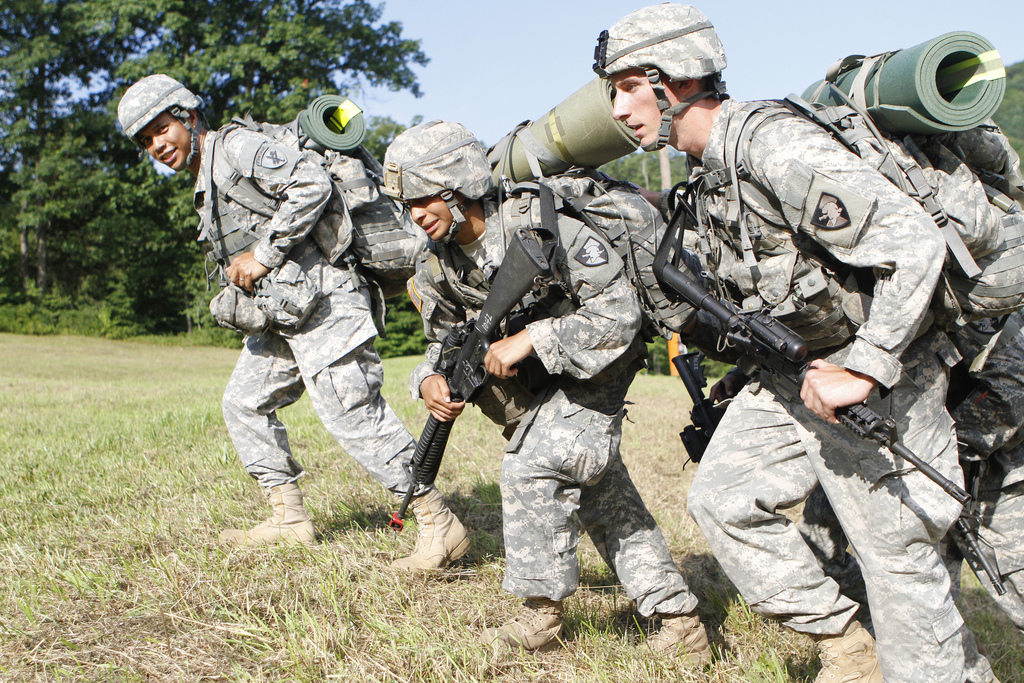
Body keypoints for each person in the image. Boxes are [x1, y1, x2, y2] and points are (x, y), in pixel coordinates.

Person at [594, 5, 970, 681]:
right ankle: (847, 643)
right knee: (724, 498)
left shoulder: (770, 145)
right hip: (794, 376)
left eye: (625, 86)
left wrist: (868, 367)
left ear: (668, 76)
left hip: (881, 375)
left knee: (899, 565)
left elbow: (913, 241)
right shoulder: (708, 176)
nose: (617, 109)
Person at [381, 119, 710, 662]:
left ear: (456, 186)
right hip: (537, 389)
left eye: (422, 200)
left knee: (533, 463)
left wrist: (532, 338)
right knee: (603, 494)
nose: (415, 215)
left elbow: (620, 314)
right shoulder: (436, 263)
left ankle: (540, 614)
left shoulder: (542, 226)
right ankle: (679, 620)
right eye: (406, 205)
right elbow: (442, 342)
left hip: (597, 366)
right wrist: (430, 380)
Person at [116, 74, 469, 571]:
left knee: (353, 415)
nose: (156, 145)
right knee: (243, 403)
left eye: (160, 130)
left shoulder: (235, 148)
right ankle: (288, 519)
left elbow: (310, 182)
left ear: (188, 116)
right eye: (145, 140)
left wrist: (262, 255)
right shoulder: (206, 180)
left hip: (328, 300)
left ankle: (439, 523)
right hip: (286, 314)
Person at [798, 311, 1024, 682]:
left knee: (1013, 585)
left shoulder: (991, 307)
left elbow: (1009, 390)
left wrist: (938, 451)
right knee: (927, 607)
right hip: (905, 460)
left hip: (989, 472)